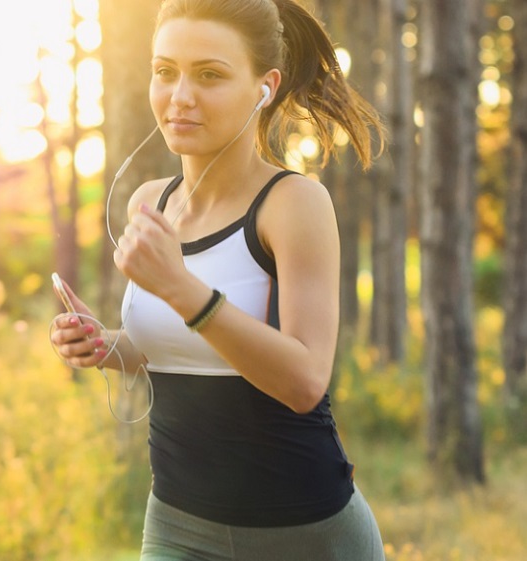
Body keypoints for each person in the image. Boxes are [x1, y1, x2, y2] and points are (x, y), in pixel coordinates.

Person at [50, 0, 387, 559]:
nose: (180, 96)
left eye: (209, 75)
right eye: (165, 72)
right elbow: (177, 350)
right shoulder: (149, 203)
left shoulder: (292, 204)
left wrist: (183, 290)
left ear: (265, 86)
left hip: (307, 534)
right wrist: (106, 345)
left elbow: (305, 381)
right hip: (178, 525)